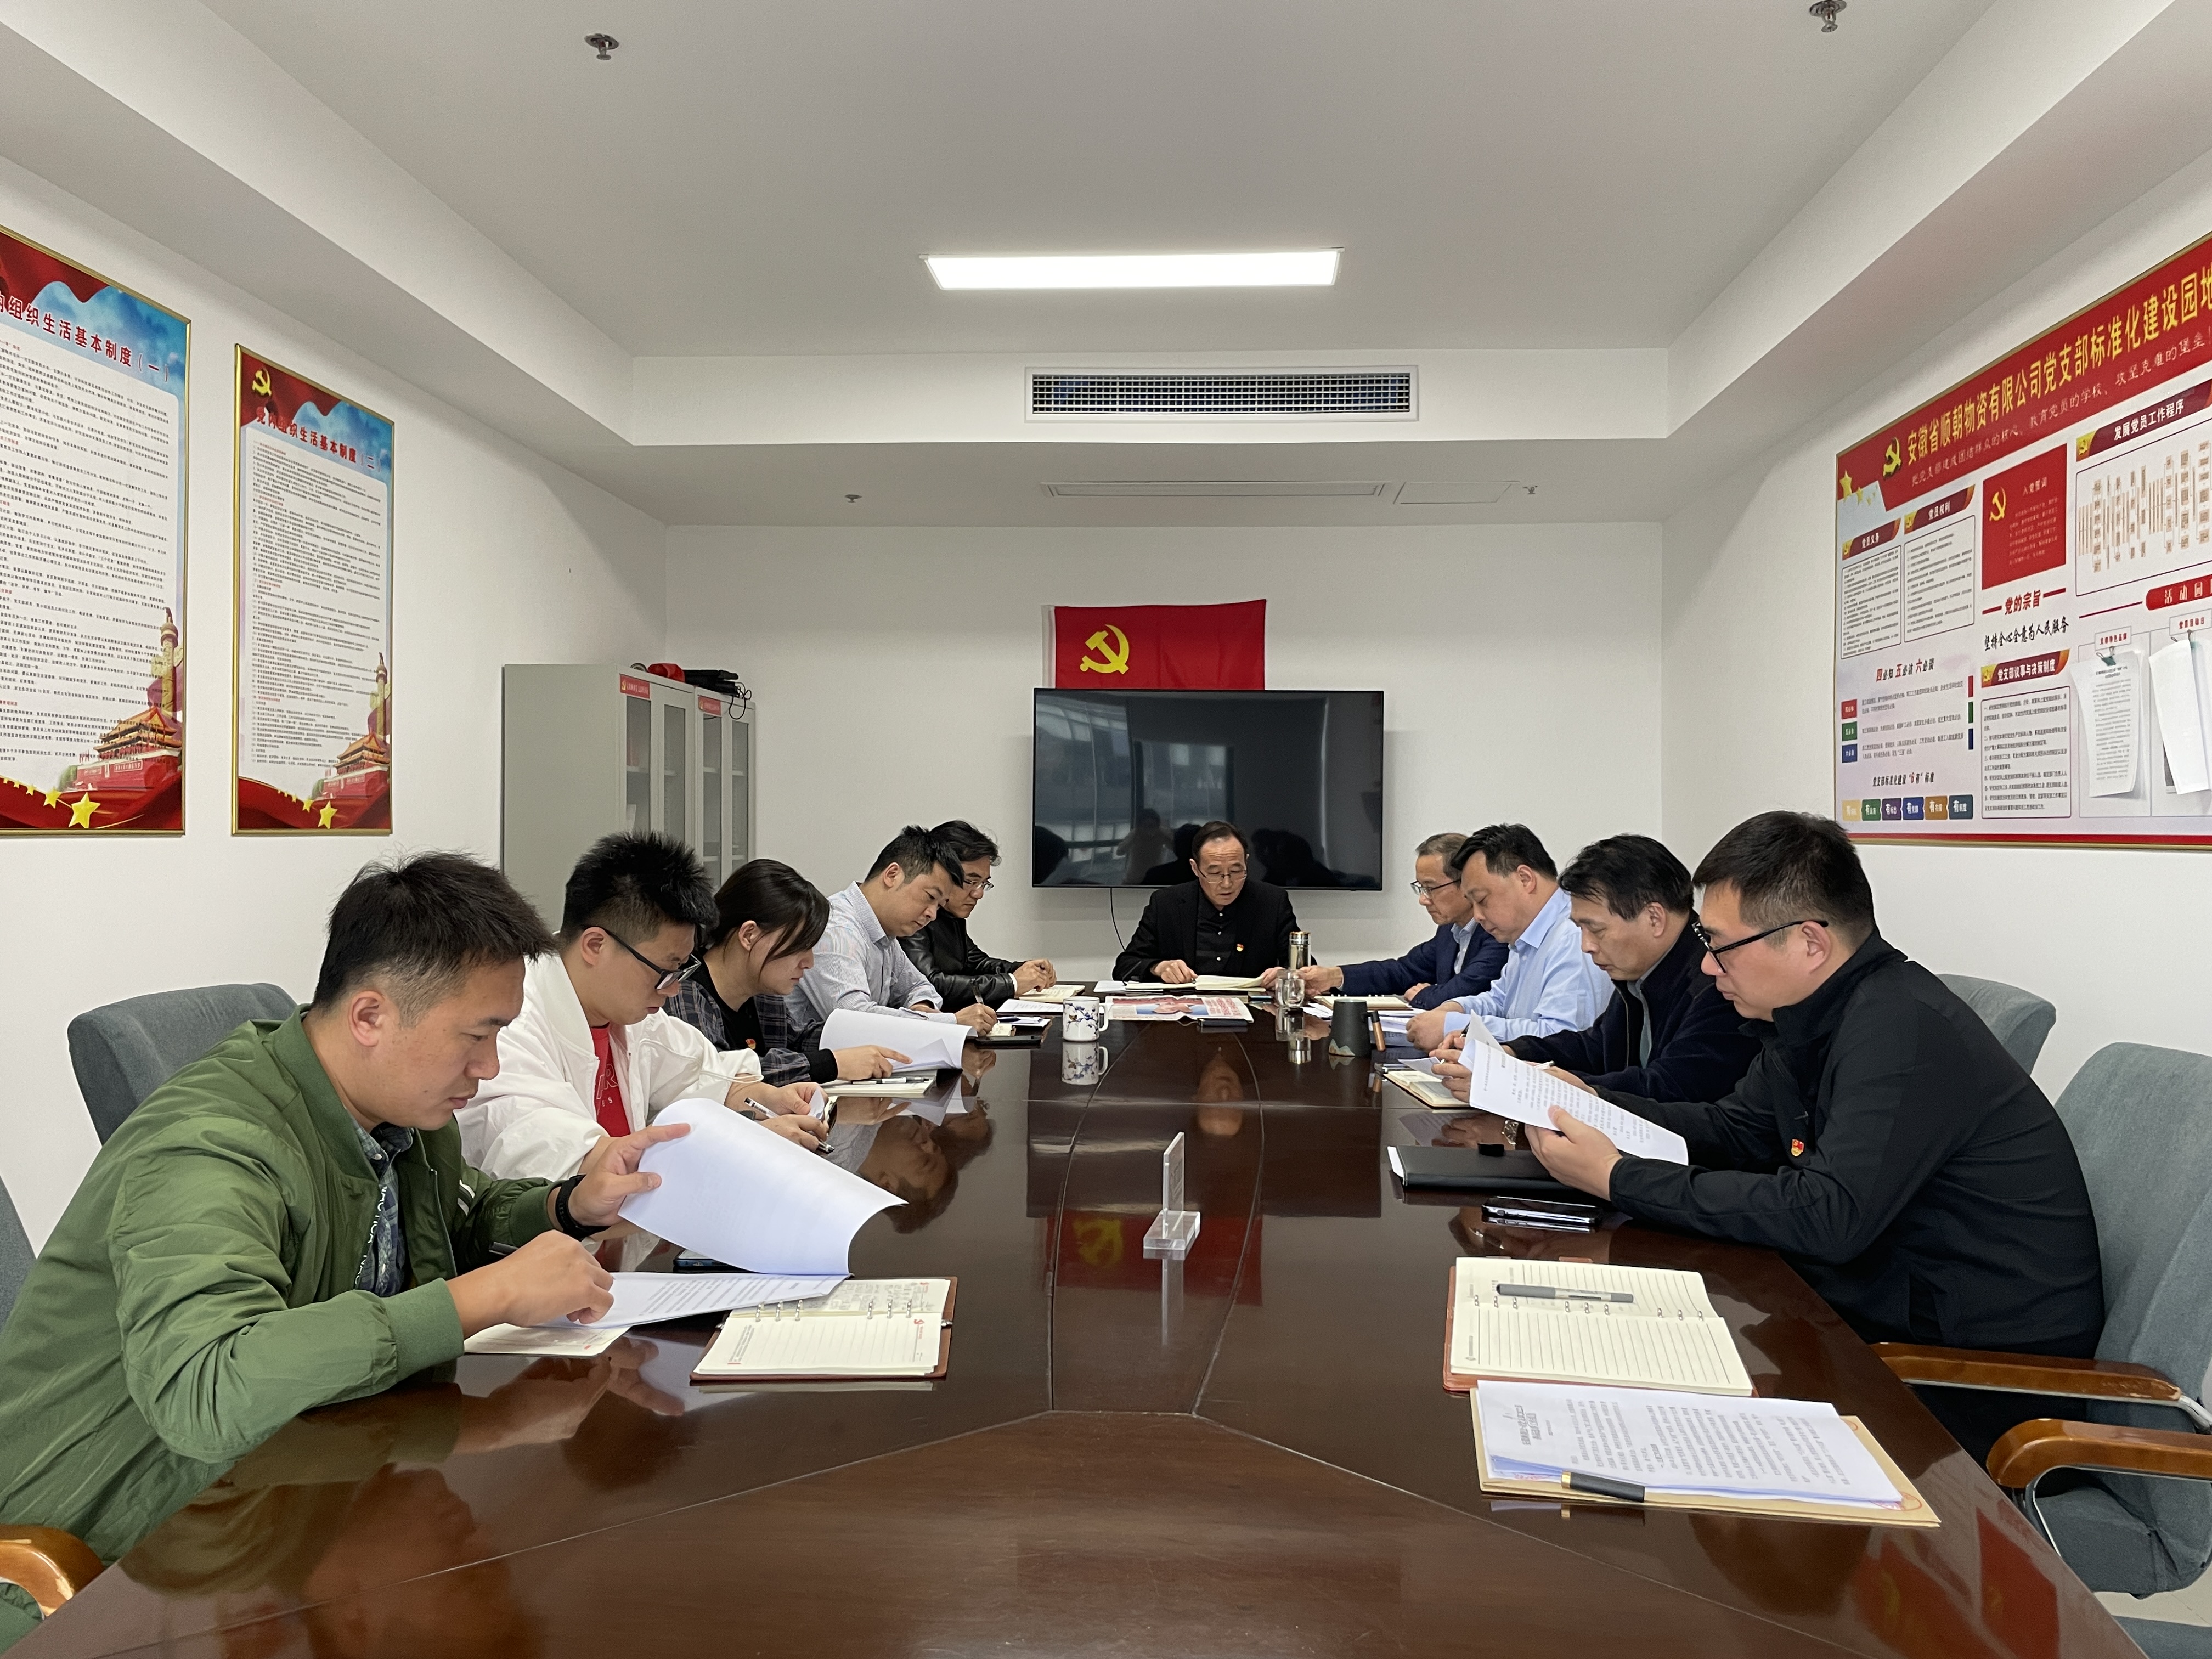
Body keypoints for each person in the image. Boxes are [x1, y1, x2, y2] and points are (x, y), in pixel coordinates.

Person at [0, 853, 681, 1649]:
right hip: (103, 1559)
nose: (489, 1068)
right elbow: (206, 1387)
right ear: (369, 1017)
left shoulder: (399, 1113)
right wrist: (479, 1301)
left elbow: (451, 1219)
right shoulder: (211, 1146)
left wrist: (567, 1204)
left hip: (293, 1486)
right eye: (477, 1036)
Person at [1526, 811, 2103, 1460]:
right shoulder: (1816, 1017)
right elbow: (1735, 1129)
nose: (1708, 967)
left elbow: (1827, 1216)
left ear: (1809, 943)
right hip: (1869, 1316)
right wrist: (1594, 1106)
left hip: (1967, 1382)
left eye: (1720, 945)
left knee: (1647, 1428)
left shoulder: (1900, 1030)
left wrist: (1618, 1176)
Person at [460, 832, 825, 1182]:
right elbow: (560, 1160)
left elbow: (705, 1076)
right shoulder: (511, 1026)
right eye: (665, 970)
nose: (674, 988)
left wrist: (769, 1099)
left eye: (682, 969)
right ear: (596, 946)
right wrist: (748, 1143)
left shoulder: (628, 1013)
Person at [1442, 833, 1758, 1103]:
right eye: (1580, 929)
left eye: (1596, 929)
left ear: (1654, 919)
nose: (1586, 946)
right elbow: (1595, 1046)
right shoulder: (1638, 975)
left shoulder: (1717, 984)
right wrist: (1511, 1054)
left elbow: (1669, 1088)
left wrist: (1536, 1083)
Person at [665, 857, 913, 1085]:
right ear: (749, 935)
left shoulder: (762, 994)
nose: (809, 962)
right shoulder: (683, 991)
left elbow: (800, 1039)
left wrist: (881, 1037)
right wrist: (833, 1064)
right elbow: (718, 1074)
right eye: (800, 947)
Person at [1402, 824, 1612, 1049]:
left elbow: (1562, 1037)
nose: (1477, 916)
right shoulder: (1523, 935)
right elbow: (1500, 1000)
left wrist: (1459, 1026)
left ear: (1525, 879)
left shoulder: (1573, 937)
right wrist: (1454, 1008)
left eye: (1482, 900)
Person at [1266, 830, 1508, 1010]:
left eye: (1431, 888)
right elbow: (1403, 970)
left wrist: (1424, 995)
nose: (1423, 900)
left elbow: (1465, 991)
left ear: (1465, 883)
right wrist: (1334, 976)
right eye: (1421, 888)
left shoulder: (1499, 932)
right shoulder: (1450, 932)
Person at [793, 825, 998, 1032]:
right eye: (930, 897)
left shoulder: (883, 932)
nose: (933, 914)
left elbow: (920, 987)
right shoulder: (837, 930)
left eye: (939, 905)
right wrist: (949, 1023)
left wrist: (922, 1008)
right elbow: (854, 1018)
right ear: (892, 875)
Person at [1114, 820, 1298, 983]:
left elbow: (1302, 966)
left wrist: (1288, 974)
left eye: (1236, 871)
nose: (1227, 884)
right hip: (1186, 1009)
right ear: (1195, 868)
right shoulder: (1166, 904)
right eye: (1215, 873)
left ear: (1246, 862)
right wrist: (1158, 968)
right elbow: (1125, 966)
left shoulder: (1272, 902)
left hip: (1253, 1009)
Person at [901, 820, 1054, 1011]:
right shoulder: (914, 916)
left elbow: (975, 962)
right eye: (971, 882)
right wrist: (1012, 983)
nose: (979, 894)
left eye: (983, 884)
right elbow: (929, 985)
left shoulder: (949, 916)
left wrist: (1025, 970)